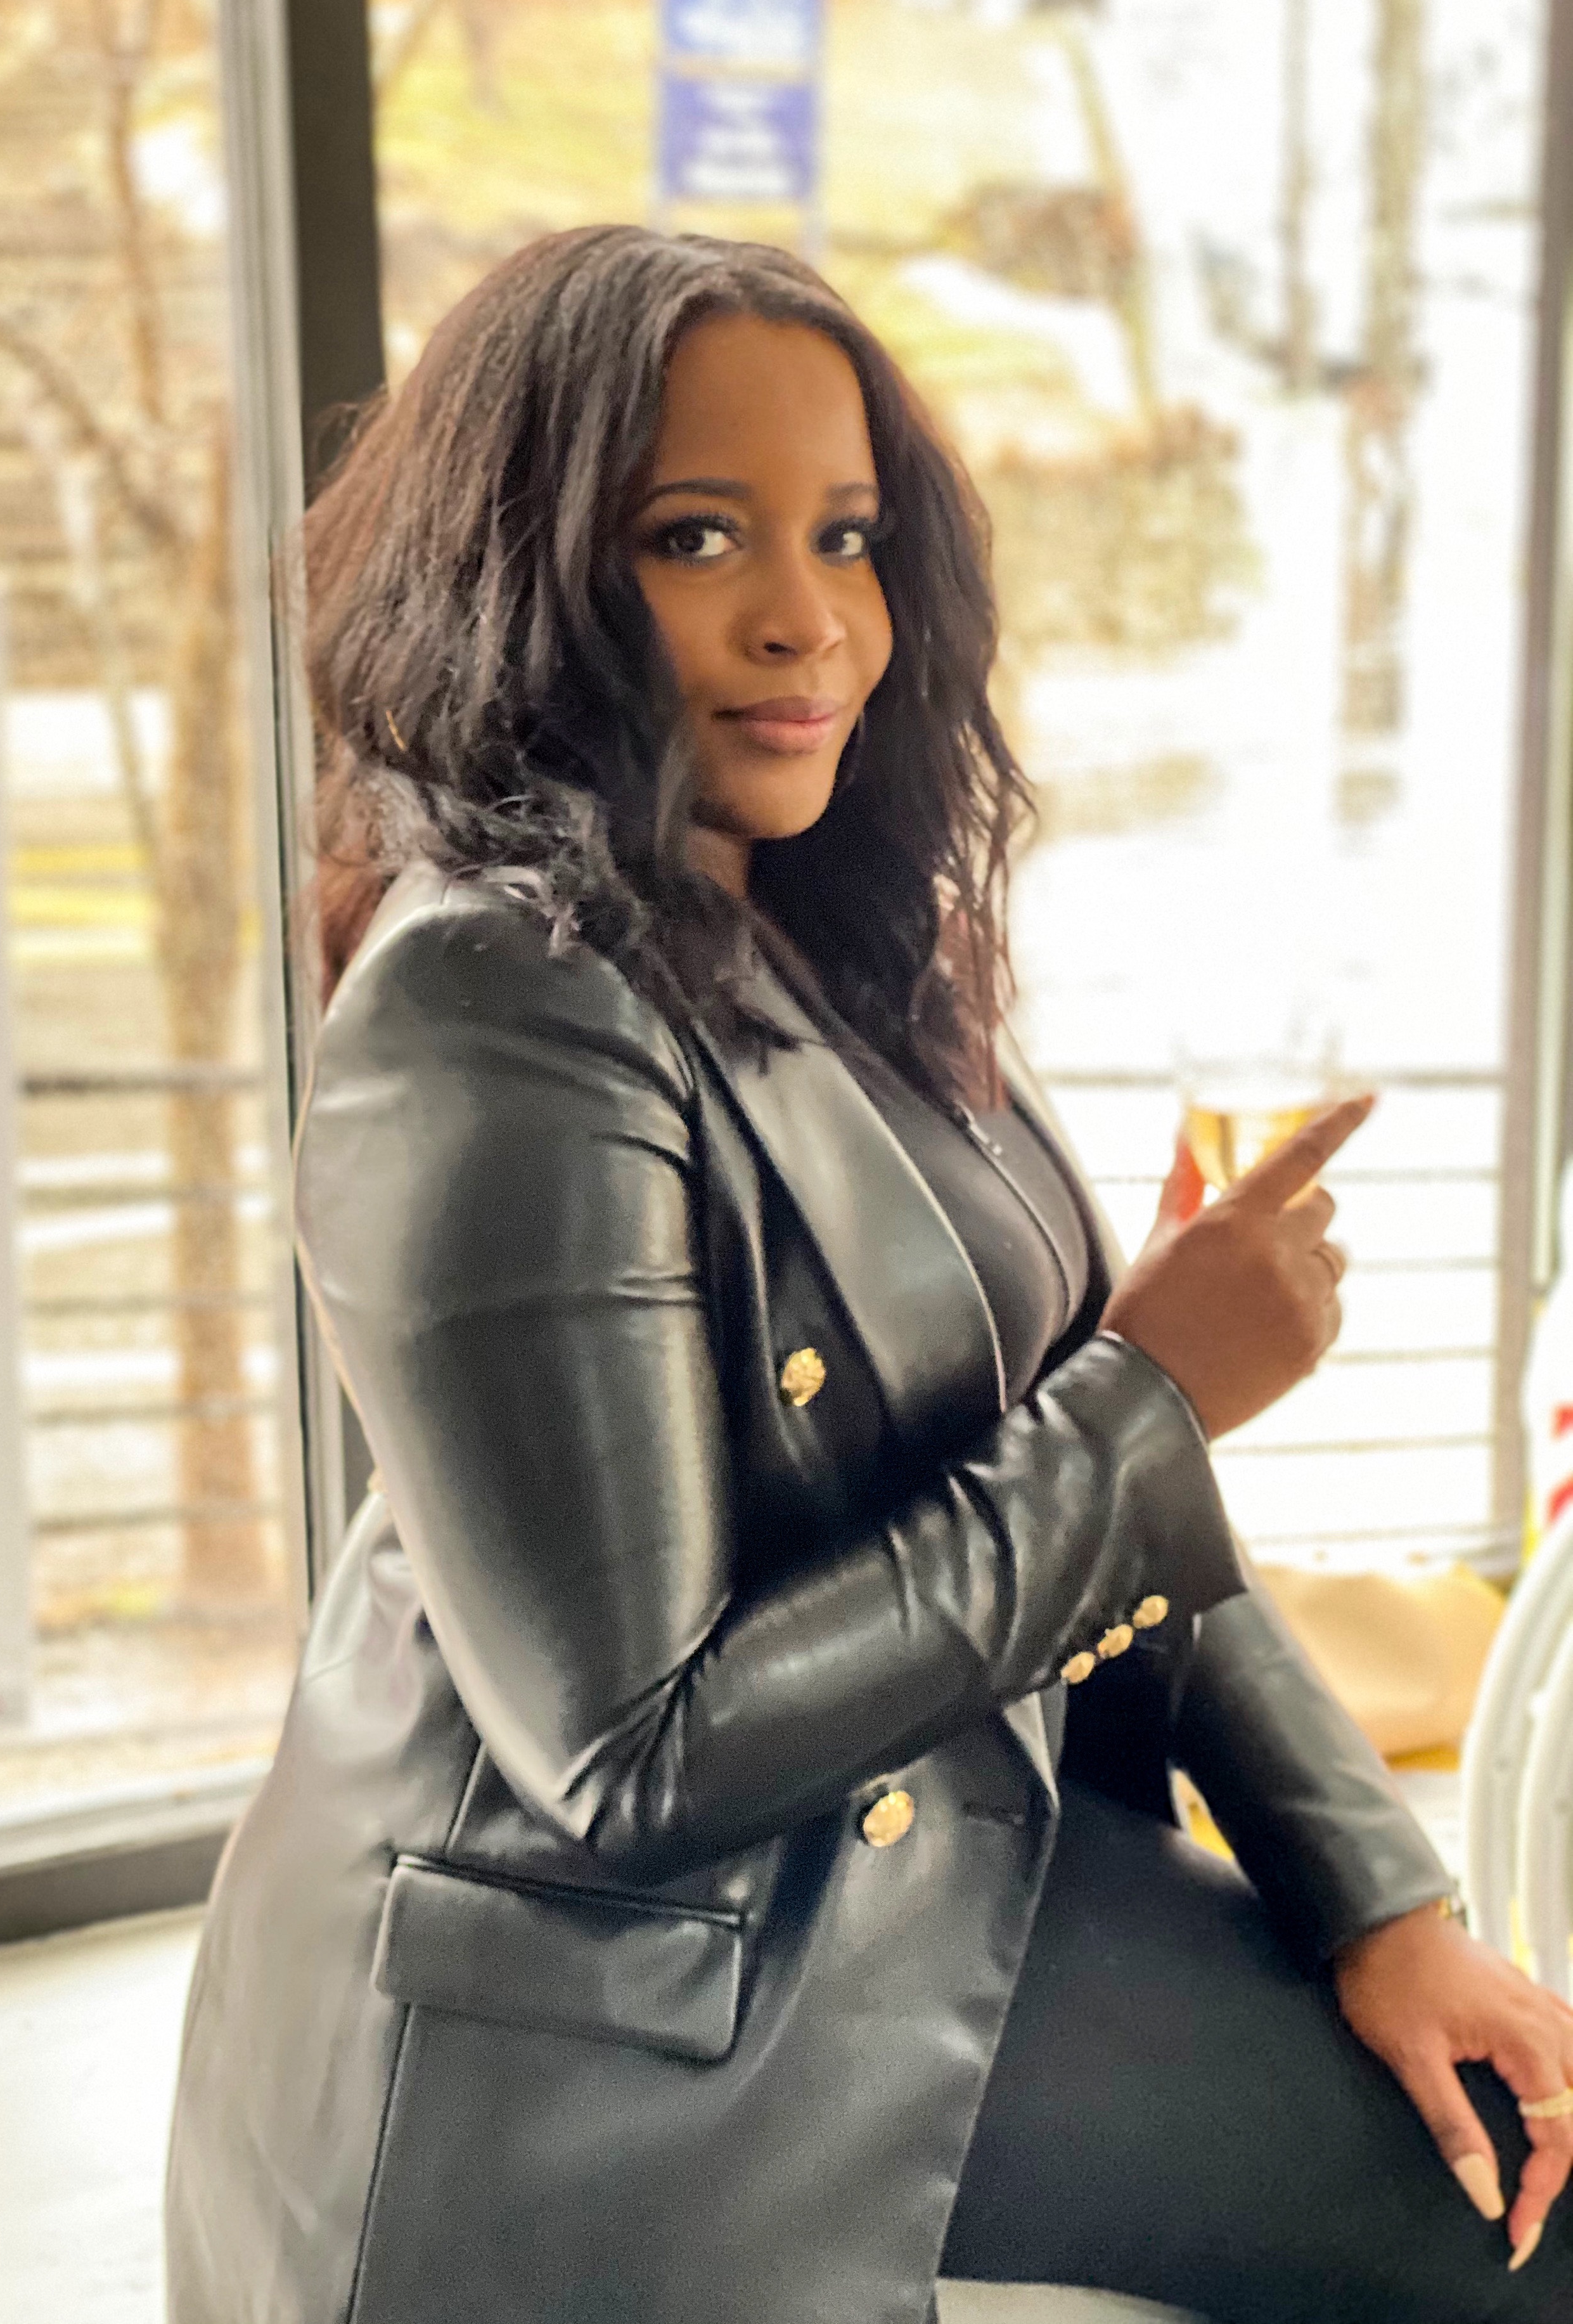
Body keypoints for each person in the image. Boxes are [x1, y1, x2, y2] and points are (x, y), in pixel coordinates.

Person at [165, 227, 1573, 2324]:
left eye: (845, 535)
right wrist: (1154, 1395)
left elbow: (1112, 1503)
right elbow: (632, 1753)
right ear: (524, 580)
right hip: (622, 2020)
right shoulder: (485, 1016)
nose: (805, 616)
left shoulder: (845, 940)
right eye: (694, 536)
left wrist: (1380, 1896)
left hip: (926, 1880)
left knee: (1529, 2186)